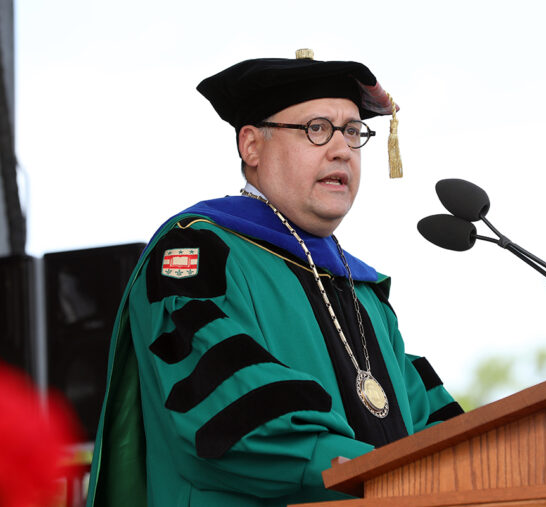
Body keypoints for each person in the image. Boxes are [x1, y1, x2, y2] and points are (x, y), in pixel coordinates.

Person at [86, 49, 463, 507]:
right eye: (317, 128)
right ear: (251, 146)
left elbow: (428, 427)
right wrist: (379, 471)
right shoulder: (198, 255)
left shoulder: (361, 290)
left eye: (351, 131)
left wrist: (469, 464)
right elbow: (232, 413)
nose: (342, 148)